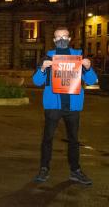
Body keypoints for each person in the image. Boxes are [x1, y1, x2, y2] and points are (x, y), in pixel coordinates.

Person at [32, 27, 98, 185]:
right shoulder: (48, 57)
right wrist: (42, 69)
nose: (61, 39)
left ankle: (75, 170)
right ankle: (44, 168)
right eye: (58, 37)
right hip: (53, 106)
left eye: (64, 36)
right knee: (47, 139)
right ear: (54, 41)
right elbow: (36, 81)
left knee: (74, 140)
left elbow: (91, 80)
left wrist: (88, 68)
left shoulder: (78, 57)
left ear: (69, 38)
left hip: (72, 106)